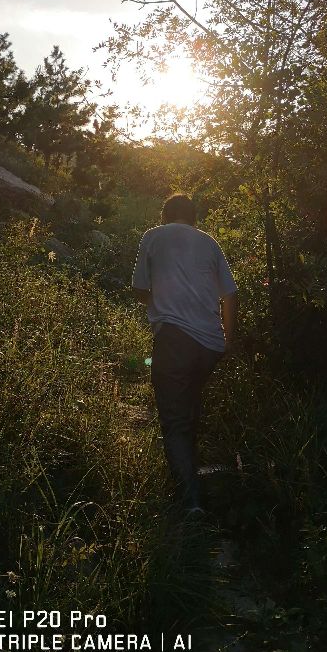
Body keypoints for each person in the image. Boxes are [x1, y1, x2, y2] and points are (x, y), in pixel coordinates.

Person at [132, 193, 238, 513]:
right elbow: (231, 295)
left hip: (174, 341)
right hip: (210, 345)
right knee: (190, 408)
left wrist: (160, 305)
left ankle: (190, 502)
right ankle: (190, 478)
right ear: (194, 218)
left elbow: (138, 289)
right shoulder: (209, 243)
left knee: (175, 419)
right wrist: (227, 340)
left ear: (165, 215)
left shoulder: (152, 236)